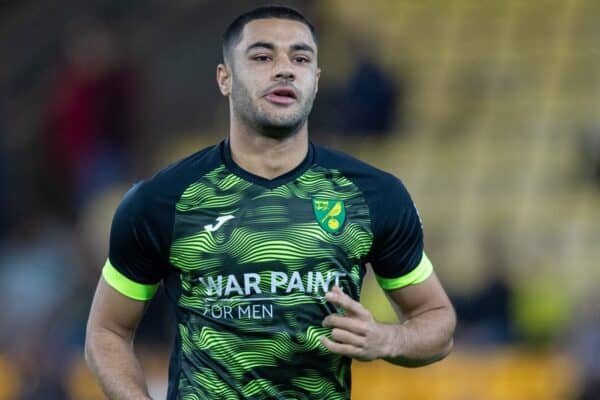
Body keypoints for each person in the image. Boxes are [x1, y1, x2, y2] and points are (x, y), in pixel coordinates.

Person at [85, 5, 456, 400]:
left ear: (315, 79)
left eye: (301, 58)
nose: (284, 69)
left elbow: (438, 323)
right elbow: (106, 331)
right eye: (262, 57)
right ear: (224, 79)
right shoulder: (162, 200)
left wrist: (388, 339)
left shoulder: (372, 195)